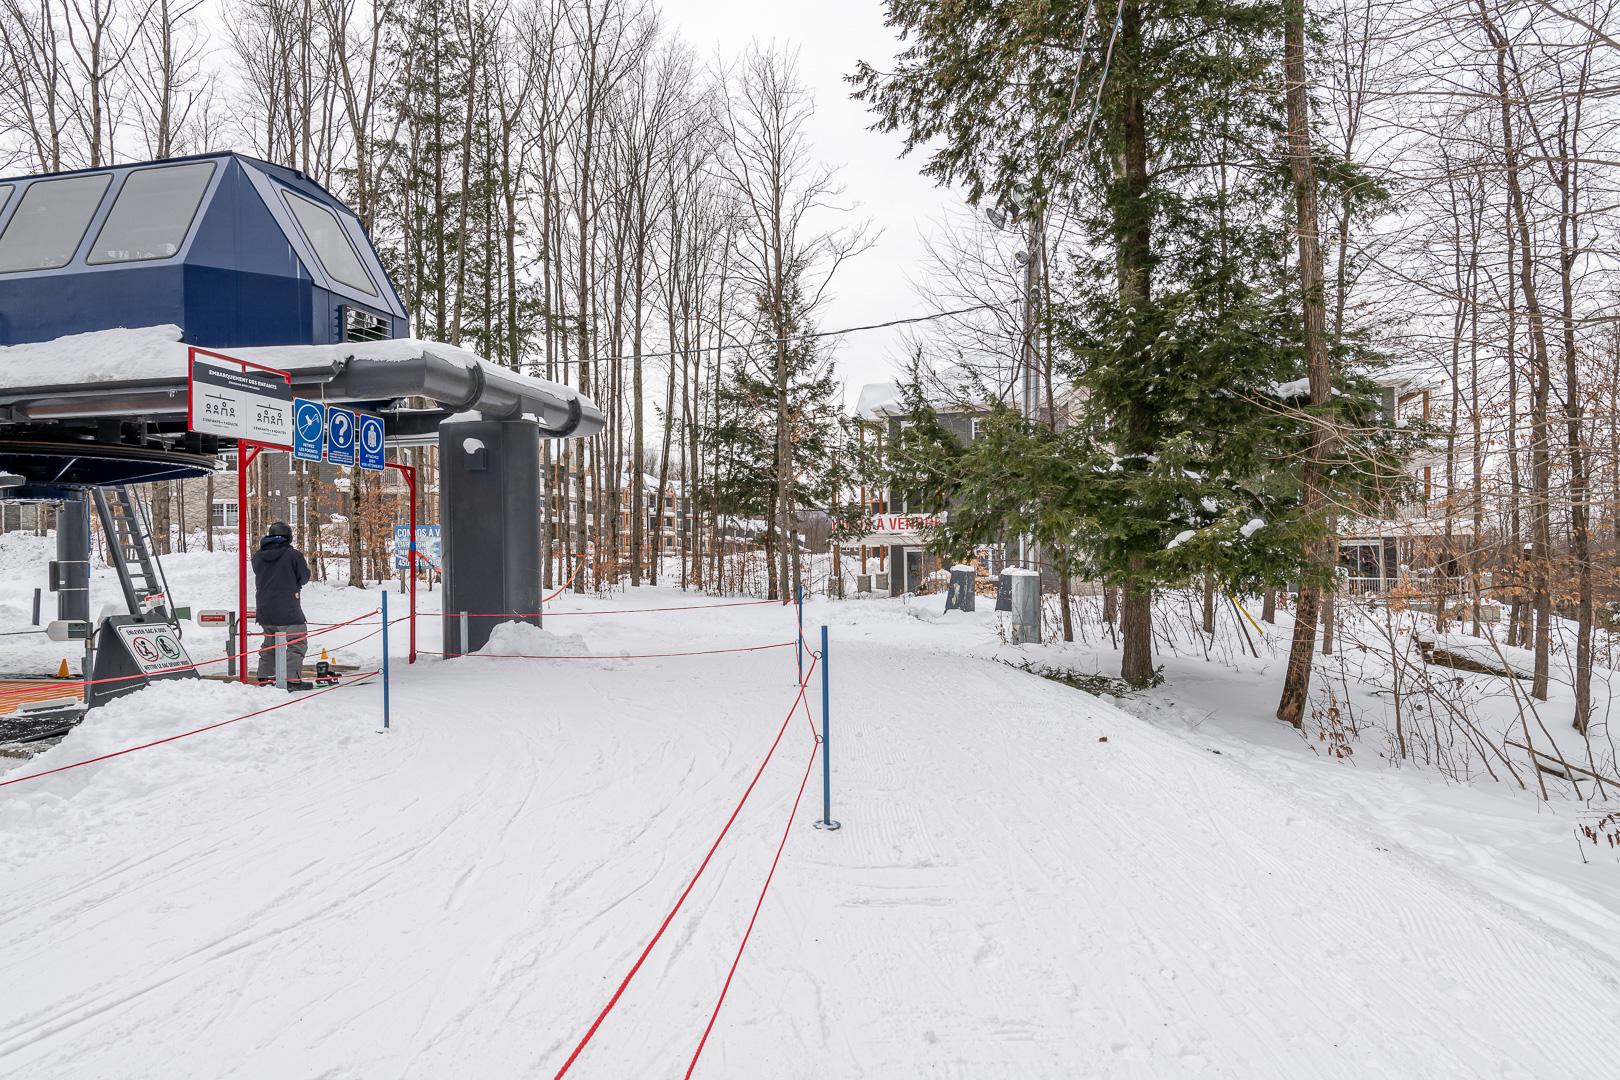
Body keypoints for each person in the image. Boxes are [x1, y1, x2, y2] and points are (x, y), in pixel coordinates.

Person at [251, 521, 313, 690]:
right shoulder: (293, 555)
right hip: (288, 608)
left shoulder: (258, 556)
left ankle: (265, 677)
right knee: (297, 643)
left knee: (270, 644)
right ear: (288, 537)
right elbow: (304, 578)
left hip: (265, 608)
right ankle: (290, 679)